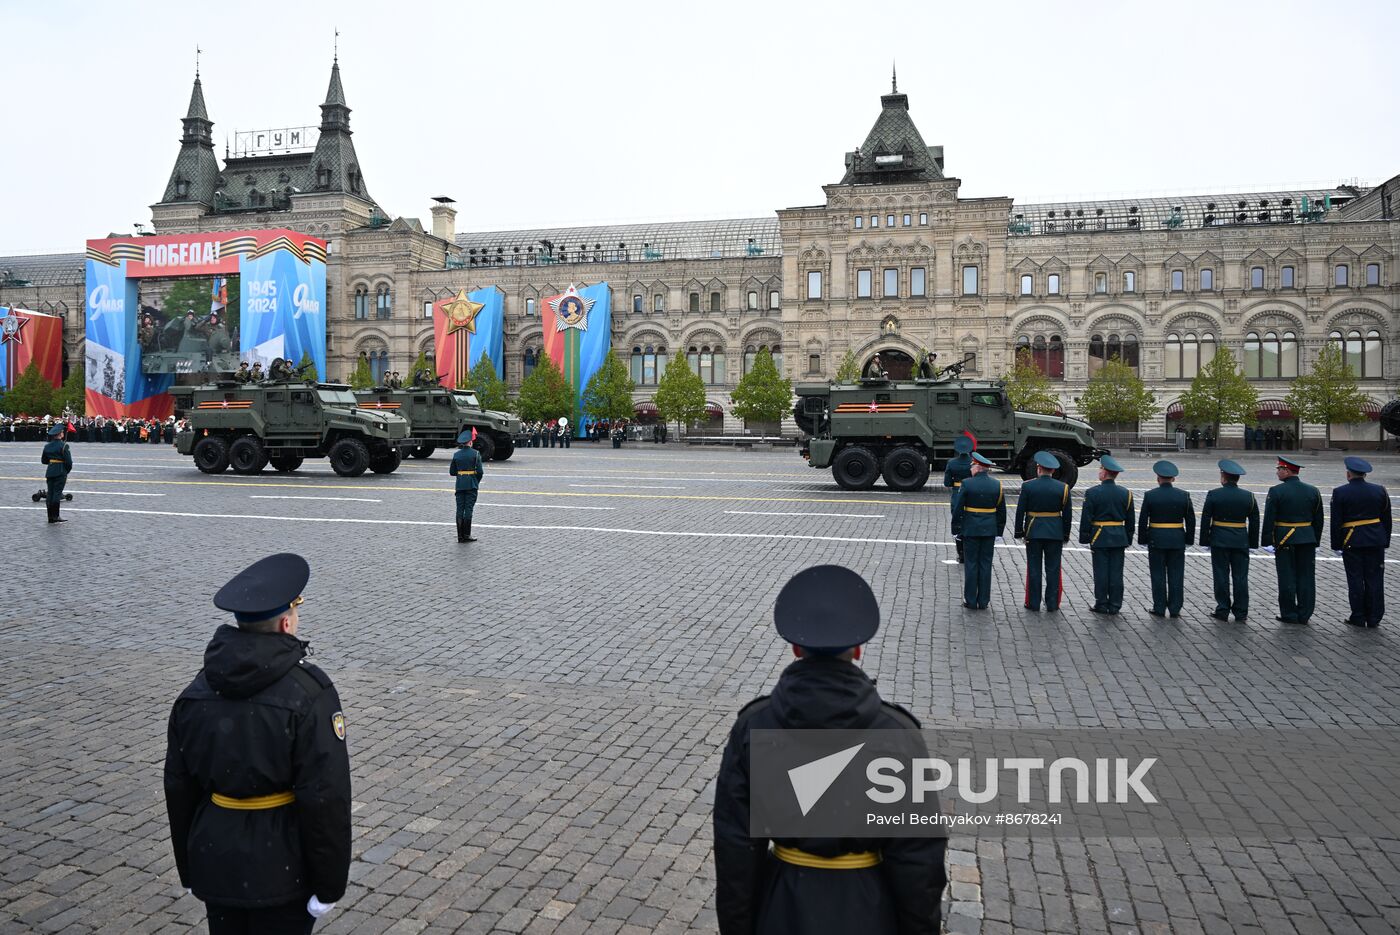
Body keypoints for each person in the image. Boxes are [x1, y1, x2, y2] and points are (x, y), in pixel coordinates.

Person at [713, 565, 947, 934]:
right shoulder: (896, 733)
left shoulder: (754, 726)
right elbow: (919, 860)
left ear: (794, 647)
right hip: (869, 909)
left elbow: (735, 849)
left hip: (782, 907)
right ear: (857, 649)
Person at [164, 553, 351, 935]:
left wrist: (189, 866)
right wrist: (330, 883)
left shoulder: (194, 694)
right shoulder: (309, 693)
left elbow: (179, 787)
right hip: (282, 863)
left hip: (216, 858)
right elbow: (325, 796)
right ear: (286, 623)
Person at [1261, 455, 1324, 625]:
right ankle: (1304, 613)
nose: (1277, 473)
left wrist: (1267, 540)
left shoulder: (1276, 491)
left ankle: (1289, 613)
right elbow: (1319, 520)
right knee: (1306, 577)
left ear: (1287, 471)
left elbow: (1269, 518)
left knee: (1287, 576)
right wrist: (1316, 540)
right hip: (1307, 539)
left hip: (1285, 539)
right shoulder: (1313, 490)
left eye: (1279, 469)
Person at [1329, 456, 1391, 628]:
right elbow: (1386, 519)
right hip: (1376, 541)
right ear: (1365, 474)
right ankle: (1374, 617)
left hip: (1352, 540)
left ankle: (1358, 615)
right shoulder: (1380, 490)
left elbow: (1336, 521)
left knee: (1355, 579)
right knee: (1375, 579)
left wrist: (1336, 544)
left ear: (1348, 474)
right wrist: (1385, 540)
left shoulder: (1340, 492)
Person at [1199, 459, 1260, 623]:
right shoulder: (1249, 496)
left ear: (1224, 476)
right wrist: (1253, 543)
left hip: (1219, 539)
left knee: (1221, 575)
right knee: (1240, 577)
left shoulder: (1214, 494)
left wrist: (1205, 540)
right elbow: (1255, 521)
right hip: (1241, 540)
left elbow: (1206, 519)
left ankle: (1223, 609)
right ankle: (1241, 611)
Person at [1014, 450, 1071, 612]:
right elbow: (1067, 515)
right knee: (1053, 569)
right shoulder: (1063, 488)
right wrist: (1065, 534)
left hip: (1034, 531)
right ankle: (1052, 603)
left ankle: (1033, 602)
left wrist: (1020, 531)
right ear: (1053, 470)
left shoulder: (1028, 486)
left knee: (1034, 568)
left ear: (1038, 468)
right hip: (1055, 532)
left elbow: (1021, 511)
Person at [1138, 460, 1195, 618]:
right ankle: (1175, 608)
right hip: (1177, 539)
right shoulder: (1183, 495)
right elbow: (1190, 520)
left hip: (1156, 538)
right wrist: (1189, 539)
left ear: (1158, 478)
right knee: (1176, 575)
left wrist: (1143, 539)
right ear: (1173, 479)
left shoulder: (1150, 495)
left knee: (1158, 574)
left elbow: (1143, 520)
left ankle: (1159, 607)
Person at [1080, 455, 1134, 615]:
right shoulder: (1126, 493)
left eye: (1100, 468)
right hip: (1119, 537)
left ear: (1105, 473)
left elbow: (1087, 518)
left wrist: (1085, 537)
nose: (1099, 471)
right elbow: (1130, 520)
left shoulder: (1092, 493)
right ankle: (1115, 604)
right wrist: (1128, 538)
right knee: (1117, 572)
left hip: (1099, 536)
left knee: (1101, 571)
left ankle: (1102, 603)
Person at [951, 451, 1005, 610]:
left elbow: (958, 508)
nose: (971, 468)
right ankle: (983, 601)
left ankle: (970, 600)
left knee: (971, 564)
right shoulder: (997, 485)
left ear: (978, 467)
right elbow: (1001, 511)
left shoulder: (967, 483)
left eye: (973, 465)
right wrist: (999, 532)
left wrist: (956, 529)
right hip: (989, 530)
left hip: (971, 529)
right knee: (986, 564)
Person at [943, 436, 974, 564]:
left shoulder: (952, 463)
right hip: (971, 494)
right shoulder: (973, 462)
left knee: (958, 523)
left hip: (957, 493)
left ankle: (960, 553)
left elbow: (947, 483)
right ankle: (970, 551)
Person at [450, 429, 483, 542]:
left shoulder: (456, 454)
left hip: (459, 485)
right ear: (470, 442)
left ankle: (460, 536)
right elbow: (480, 472)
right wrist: (475, 482)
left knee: (459, 509)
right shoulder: (476, 453)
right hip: (471, 484)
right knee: (468, 509)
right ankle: (467, 535)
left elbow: (452, 472)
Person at [41, 424, 73, 524]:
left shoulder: (47, 446)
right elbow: (69, 462)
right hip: (60, 471)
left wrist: (52, 462)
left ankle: (50, 516)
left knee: (50, 493)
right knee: (57, 493)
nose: (63, 433)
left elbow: (44, 460)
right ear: (60, 434)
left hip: (50, 471)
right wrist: (65, 471)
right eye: (62, 432)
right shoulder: (64, 445)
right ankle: (56, 516)